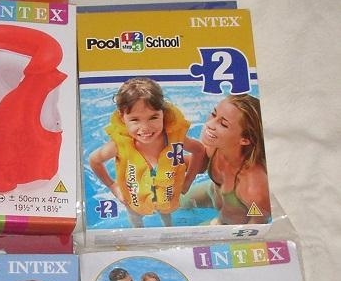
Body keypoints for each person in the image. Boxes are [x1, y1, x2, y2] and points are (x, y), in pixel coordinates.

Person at [89, 77, 205, 227]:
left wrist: (188, 180)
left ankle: (168, 227)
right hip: (134, 198)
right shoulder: (119, 145)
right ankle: (138, 230)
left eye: (153, 117)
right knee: (135, 216)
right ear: (122, 117)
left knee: (166, 212)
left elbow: (199, 150)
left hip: (166, 195)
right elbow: (94, 160)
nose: (145, 128)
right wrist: (113, 186)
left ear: (163, 114)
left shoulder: (175, 139)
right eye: (135, 120)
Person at [182, 94, 271, 225]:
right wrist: (163, 162)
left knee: (187, 234)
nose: (209, 124)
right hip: (211, 193)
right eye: (214, 114)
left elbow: (258, 223)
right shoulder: (216, 145)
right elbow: (199, 164)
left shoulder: (254, 188)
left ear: (245, 140)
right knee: (163, 201)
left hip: (228, 222)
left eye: (223, 124)